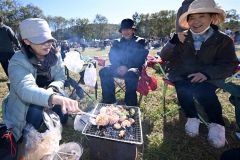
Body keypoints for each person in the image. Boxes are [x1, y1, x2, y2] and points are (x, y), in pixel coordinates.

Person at [160, 0, 238, 148]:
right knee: (183, 88)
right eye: (191, 18)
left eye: (201, 16)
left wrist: (206, 73)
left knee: (205, 91)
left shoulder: (223, 40)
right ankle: (192, 117)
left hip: (208, 75)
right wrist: (173, 42)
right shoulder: (182, 36)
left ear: (212, 17)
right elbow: (164, 56)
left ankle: (216, 124)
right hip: (182, 73)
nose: (196, 22)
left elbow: (229, 64)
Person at [2, 18, 81, 146]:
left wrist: (52, 90)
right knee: (36, 109)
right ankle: (29, 132)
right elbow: (25, 89)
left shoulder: (55, 55)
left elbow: (60, 77)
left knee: (62, 99)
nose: (47, 44)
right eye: (41, 40)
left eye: (49, 39)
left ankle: (62, 119)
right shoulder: (17, 60)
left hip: (50, 93)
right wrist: (51, 98)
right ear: (27, 41)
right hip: (26, 104)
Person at [99, 18, 148, 106]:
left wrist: (127, 66)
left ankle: (130, 104)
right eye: (124, 29)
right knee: (104, 71)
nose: (126, 31)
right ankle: (109, 101)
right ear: (121, 31)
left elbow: (141, 58)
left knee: (131, 73)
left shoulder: (140, 41)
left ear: (133, 30)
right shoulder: (116, 42)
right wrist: (118, 66)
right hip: (118, 67)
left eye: (128, 29)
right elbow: (112, 56)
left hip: (134, 68)